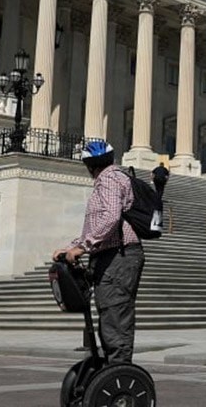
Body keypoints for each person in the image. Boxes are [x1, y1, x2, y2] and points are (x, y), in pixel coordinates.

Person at [52, 140, 145, 363]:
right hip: (110, 255)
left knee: (114, 313)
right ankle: (112, 369)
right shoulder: (110, 179)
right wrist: (70, 247)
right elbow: (100, 223)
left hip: (119, 257)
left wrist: (82, 247)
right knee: (109, 313)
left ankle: (120, 372)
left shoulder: (110, 180)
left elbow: (112, 216)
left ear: (89, 165)